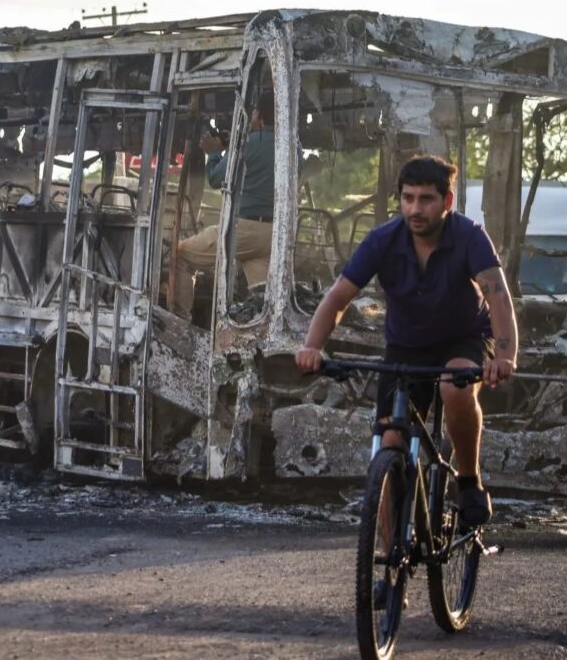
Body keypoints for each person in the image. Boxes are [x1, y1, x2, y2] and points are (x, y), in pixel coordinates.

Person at [295, 155, 517, 525]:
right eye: (408, 198)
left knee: (454, 387)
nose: (415, 208)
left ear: (446, 202)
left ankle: (468, 479)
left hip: (464, 338)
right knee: (389, 442)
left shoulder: (470, 236)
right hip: (405, 346)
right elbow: (337, 297)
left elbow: (497, 295)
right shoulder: (382, 240)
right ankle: (385, 563)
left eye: (426, 199)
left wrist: (506, 355)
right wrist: (312, 347)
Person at [173, 92, 276, 317]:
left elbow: (217, 178)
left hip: (244, 230)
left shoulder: (248, 144)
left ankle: (180, 322)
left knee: (180, 254)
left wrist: (214, 153)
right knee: (264, 298)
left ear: (258, 116)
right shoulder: (292, 147)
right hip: (272, 234)